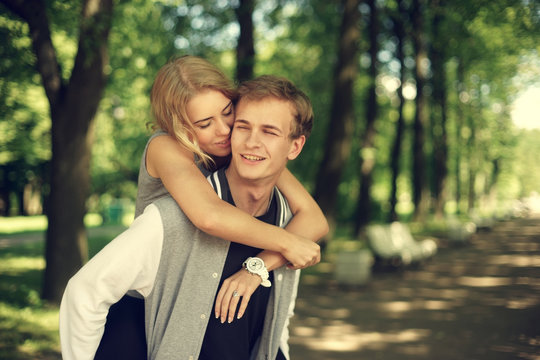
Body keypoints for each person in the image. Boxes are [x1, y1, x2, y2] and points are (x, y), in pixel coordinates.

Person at [60, 74, 317, 359]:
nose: (252, 142)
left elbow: (280, 311)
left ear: (294, 147)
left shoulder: (291, 223)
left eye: (269, 132)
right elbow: (83, 294)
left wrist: (258, 269)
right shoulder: (169, 217)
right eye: (243, 127)